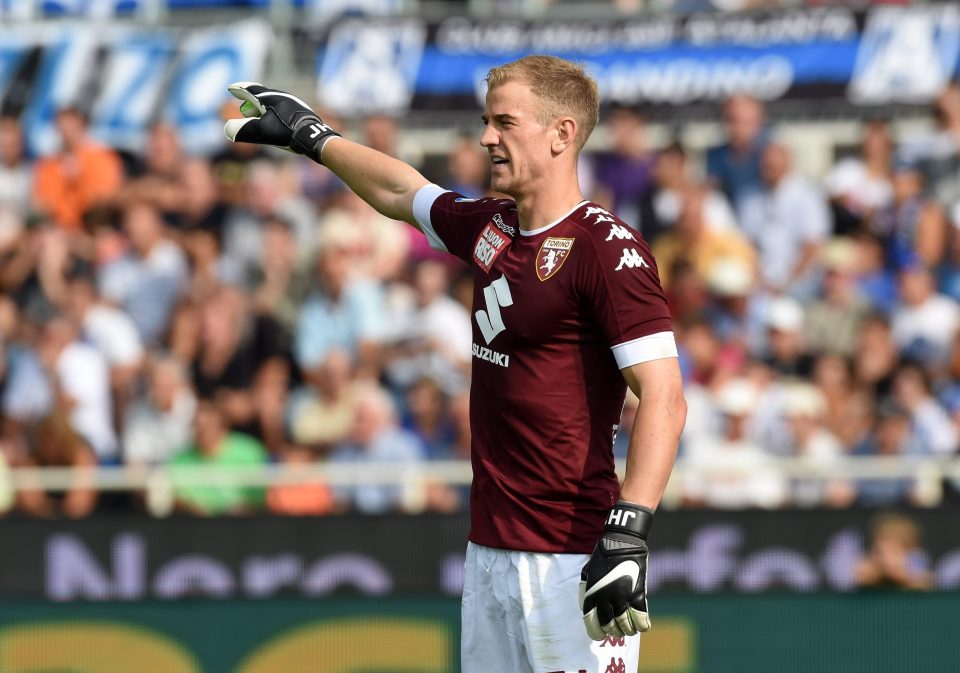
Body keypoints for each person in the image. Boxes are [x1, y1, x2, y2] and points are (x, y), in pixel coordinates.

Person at [224, 54, 687, 673]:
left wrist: (629, 535)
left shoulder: (607, 249)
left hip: (573, 557)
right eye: (486, 121)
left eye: (505, 122)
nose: (486, 137)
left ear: (562, 134)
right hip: (489, 552)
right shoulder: (492, 228)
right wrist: (316, 138)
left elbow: (664, 396)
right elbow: (399, 191)